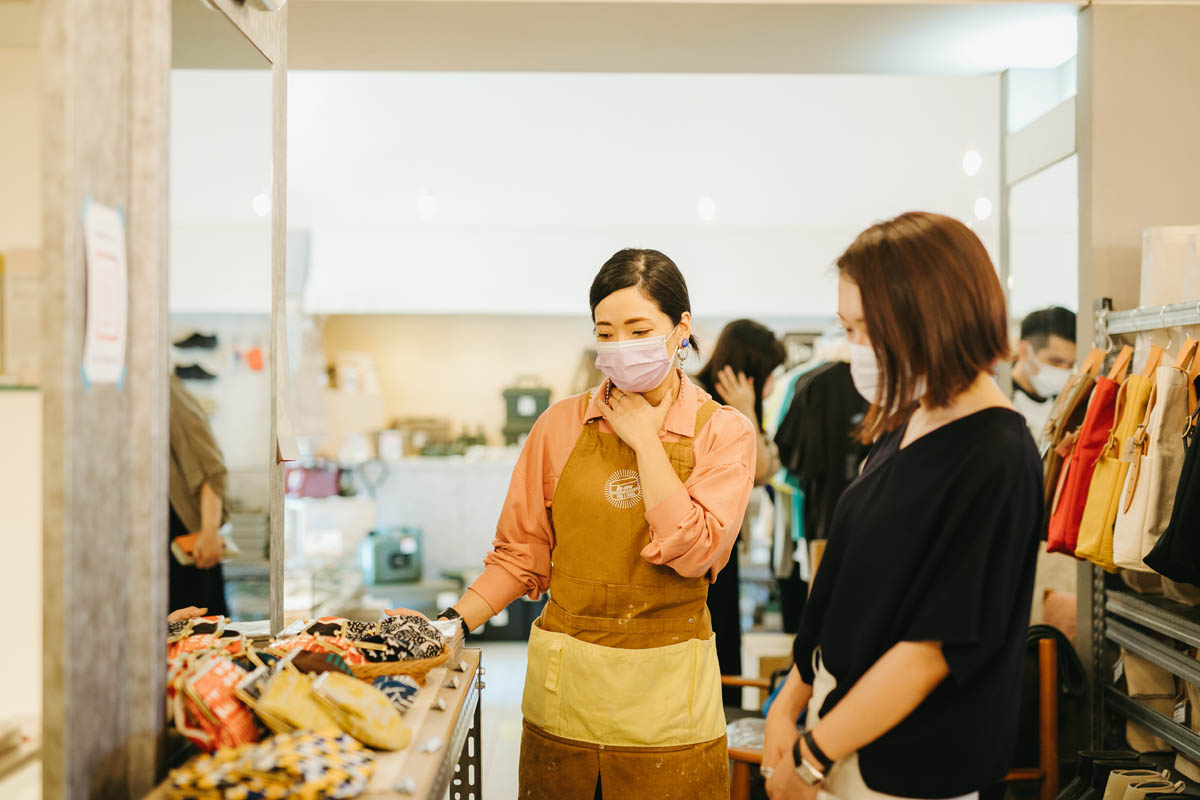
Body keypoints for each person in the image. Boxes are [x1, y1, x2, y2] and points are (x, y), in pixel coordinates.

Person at [429, 248, 756, 800]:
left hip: (670, 708)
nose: (621, 346)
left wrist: (645, 441)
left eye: (639, 330)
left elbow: (696, 551)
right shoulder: (559, 425)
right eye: (606, 333)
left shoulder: (723, 432)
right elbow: (519, 554)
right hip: (566, 699)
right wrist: (452, 625)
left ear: (681, 329)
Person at [762, 212, 1042, 800]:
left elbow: (932, 650)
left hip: (907, 766)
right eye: (848, 329)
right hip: (840, 733)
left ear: (929, 319)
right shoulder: (905, 418)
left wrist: (812, 757)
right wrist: (788, 704)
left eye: (865, 330)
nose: (854, 349)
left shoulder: (997, 455)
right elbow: (842, 585)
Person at [694, 319, 787, 705]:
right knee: (704, 648)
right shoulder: (696, 401)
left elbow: (764, 471)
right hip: (695, 546)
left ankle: (722, 721)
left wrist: (746, 409)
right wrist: (745, 410)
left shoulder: (738, 409)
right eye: (769, 374)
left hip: (721, 548)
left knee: (723, 645)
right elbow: (760, 470)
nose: (772, 384)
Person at [169, 375, 231, 617]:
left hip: (187, 542)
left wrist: (209, 533)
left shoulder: (165, 389)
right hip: (148, 544)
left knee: (197, 630)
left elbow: (211, 470)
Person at [1010, 306, 1078, 438]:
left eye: (1071, 364)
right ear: (1024, 351)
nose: (1064, 371)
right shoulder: (1002, 399)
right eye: (1055, 362)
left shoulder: (1065, 404)